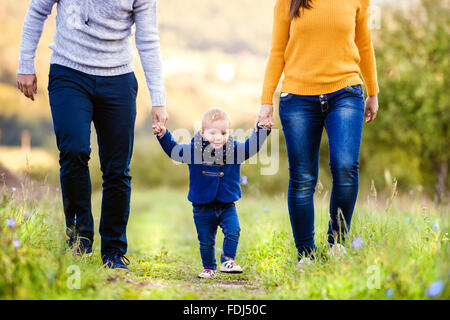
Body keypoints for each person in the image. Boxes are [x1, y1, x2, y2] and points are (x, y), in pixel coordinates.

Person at [16, 0, 168, 270]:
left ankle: (113, 251)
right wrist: (25, 64)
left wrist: (158, 100)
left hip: (118, 78)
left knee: (117, 168)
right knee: (74, 151)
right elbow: (37, 9)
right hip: (69, 73)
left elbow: (148, 39)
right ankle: (79, 239)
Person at [255, 0, 380, 266]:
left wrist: (373, 91)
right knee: (302, 178)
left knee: (345, 166)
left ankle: (337, 243)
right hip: (298, 98)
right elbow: (277, 51)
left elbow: (364, 44)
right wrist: (266, 100)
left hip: (346, 92)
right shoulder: (287, 2)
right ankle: (306, 255)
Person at [153, 108, 271, 278]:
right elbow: (174, 150)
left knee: (234, 230)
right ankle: (209, 268)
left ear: (228, 132)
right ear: (202, 132)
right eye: (212, 132)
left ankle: (228, 260)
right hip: (202, 206)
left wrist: (262, 130)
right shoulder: (193, 150)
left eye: (223, 132)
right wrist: (163, 135)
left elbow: (251, 147)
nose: (218, 137)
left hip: (226, 204)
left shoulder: (234, 150)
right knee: (206, 240)